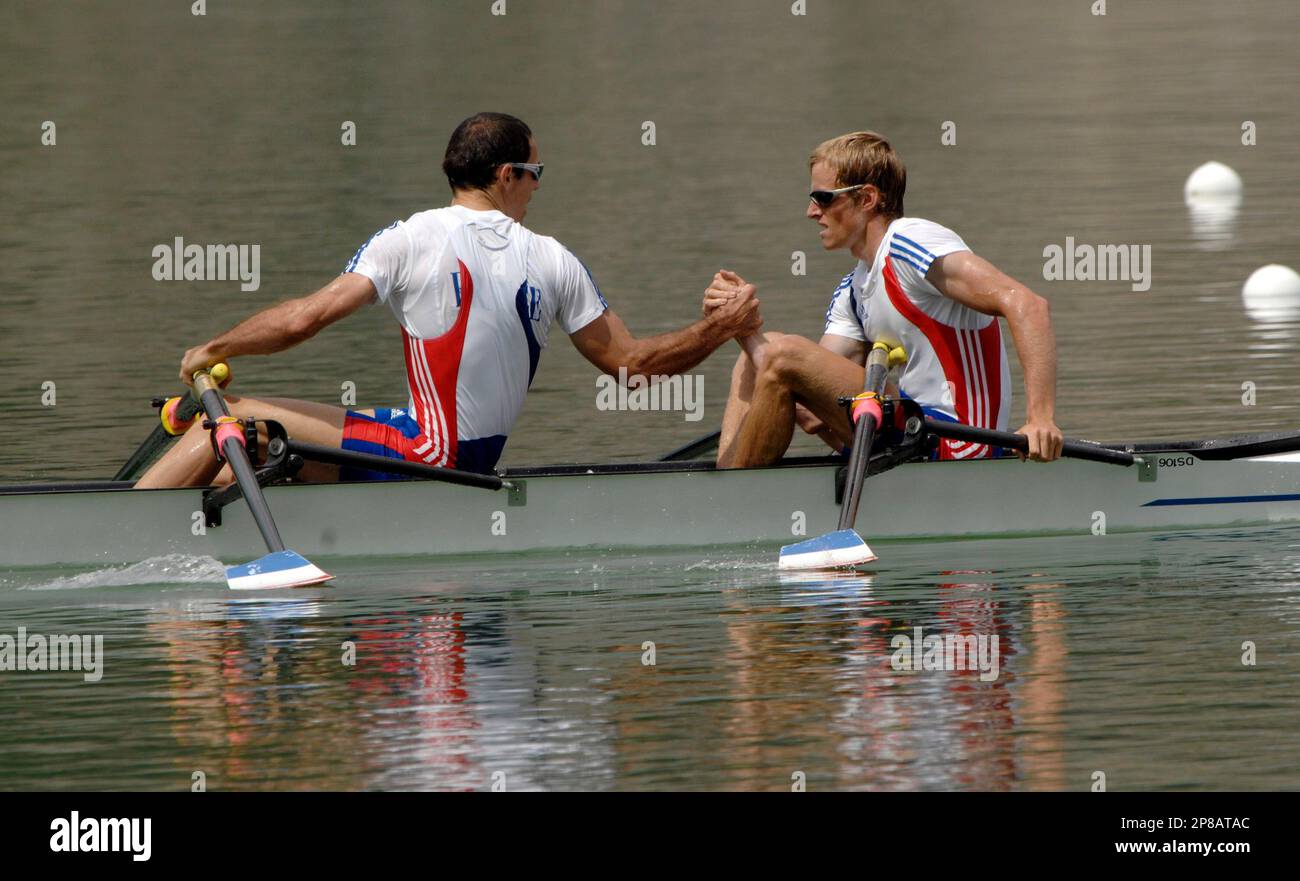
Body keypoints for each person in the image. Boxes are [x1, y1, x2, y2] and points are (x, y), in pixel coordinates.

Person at [136, 112, 761, 488]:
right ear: (506, 175)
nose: (537, 188)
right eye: (536, 174)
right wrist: (718, 328)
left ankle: (115, 535)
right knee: (230, 463)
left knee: (232, 419)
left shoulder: (409, 238)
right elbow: (632, 368)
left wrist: (213, 348)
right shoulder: (554, 258)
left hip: (428, 456)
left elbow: (308, 316)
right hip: (449, 452)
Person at [705, 130, 1063, 468]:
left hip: (960, 443)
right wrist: (741, 329)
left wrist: (1040, 420)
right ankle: (724, 490)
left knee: (782, 353)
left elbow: (1027, 305)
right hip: (906, 434)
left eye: (823, 198)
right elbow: (808, 405)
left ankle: (731, 507)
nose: (812, 212)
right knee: (755, 360)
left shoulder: (911, 242)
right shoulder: (852, 290)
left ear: (867, 199)